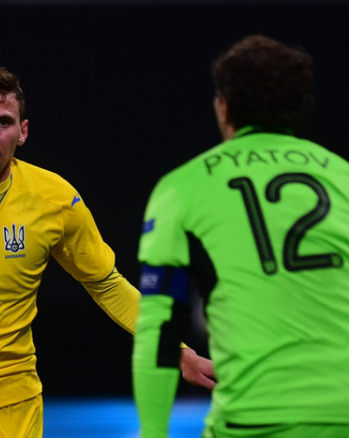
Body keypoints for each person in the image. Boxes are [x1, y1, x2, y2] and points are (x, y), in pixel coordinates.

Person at [0, 64, 216, 437]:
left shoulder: (54, 201)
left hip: (18, 405)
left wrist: (177, 352)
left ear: (23, 132)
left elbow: (107, 284)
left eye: (2, 123)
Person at [132, 35, 349, 437]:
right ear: (302, 107)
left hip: (255, 420)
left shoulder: (183, 189)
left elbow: (161, 328)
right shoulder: (343, 177)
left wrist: (152, 432)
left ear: (224, 106)